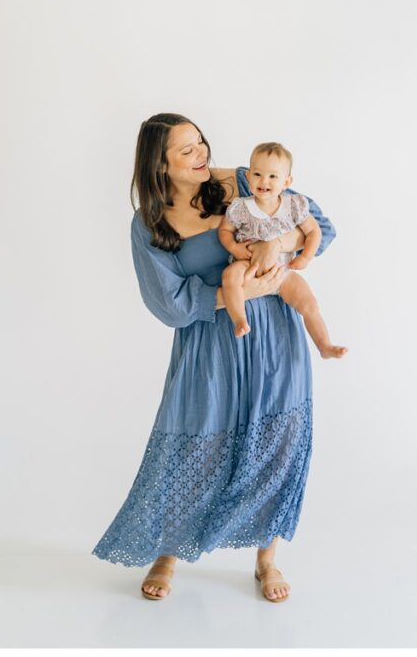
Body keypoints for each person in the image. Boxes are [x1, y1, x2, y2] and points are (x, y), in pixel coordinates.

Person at [92, 113, 337, 604]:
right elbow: (169, 302)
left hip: (276, 337)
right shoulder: (151, 223)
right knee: (195, 448)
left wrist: (277, 243)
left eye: (200, 141)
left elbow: (320, 227)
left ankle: (267, 558)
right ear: (158, 164)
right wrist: (237, 292)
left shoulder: (245, 180)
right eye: (186, 150)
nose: (201, 153)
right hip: (208, 346)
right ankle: (169, 551)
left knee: (277, 442)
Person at [219, 142, 347, 358]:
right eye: (257, 174)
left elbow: (314, 232)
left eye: (272, 176)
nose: (264, 181)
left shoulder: (293, 206)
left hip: (282, 271)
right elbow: (224, 230)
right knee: (229, 276)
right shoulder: (241, 207)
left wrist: (305, 257)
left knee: (308, 303)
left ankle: (324, 345)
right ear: (248, 177)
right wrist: (234, 247)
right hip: (248, 262)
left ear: (287, 181)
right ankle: (239, 319)